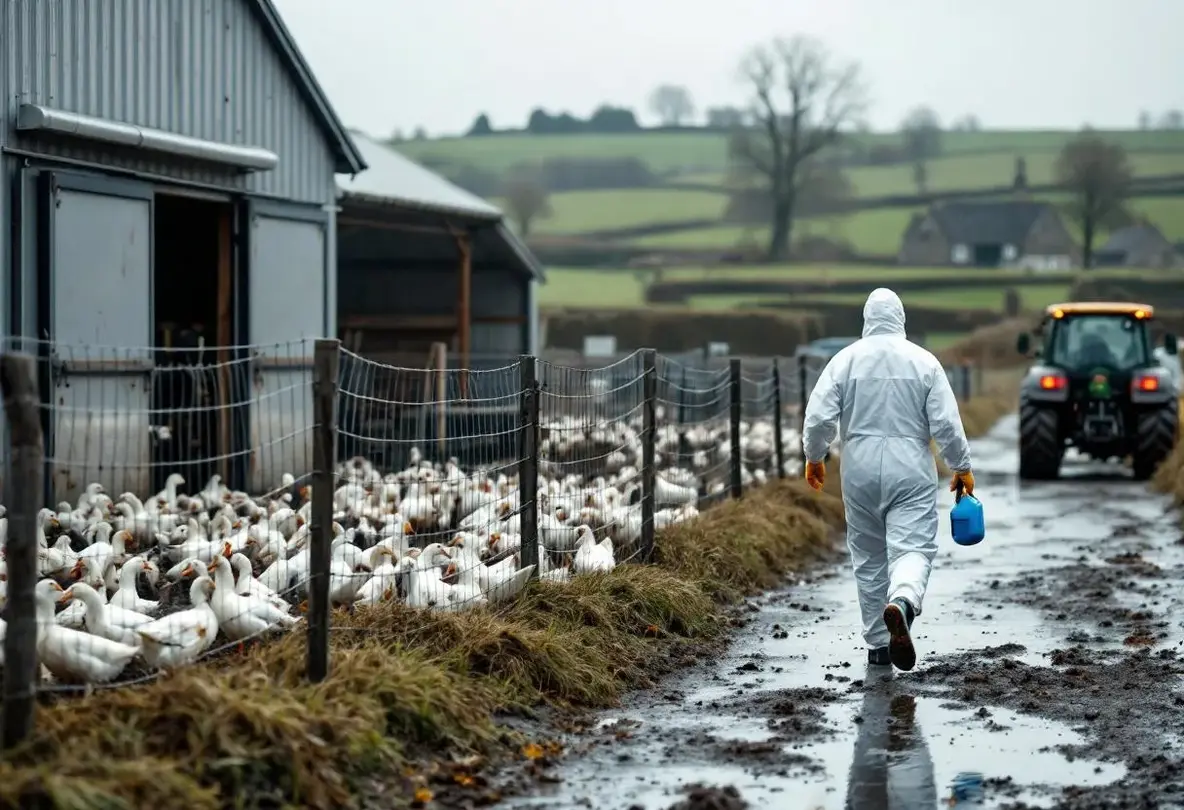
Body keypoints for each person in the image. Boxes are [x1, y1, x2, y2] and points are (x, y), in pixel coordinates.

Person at [801, 288, 974, 671]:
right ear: (901, 319)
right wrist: (961, 466)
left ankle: (879, 646)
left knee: (868, 556)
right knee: (912, 548)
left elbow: (818, 418)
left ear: (867, 319)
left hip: (858, 467)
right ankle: (904, 602)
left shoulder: (844, 361)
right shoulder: (924, 362)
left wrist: (815, 457)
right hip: (909, 465)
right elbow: (945, 423)